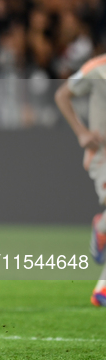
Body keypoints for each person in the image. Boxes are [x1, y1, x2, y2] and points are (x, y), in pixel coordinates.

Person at [55, 53, 106, 306]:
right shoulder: (96, 69)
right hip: (103, 154)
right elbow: (62, 95)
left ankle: (102, 291)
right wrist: (81, 133)